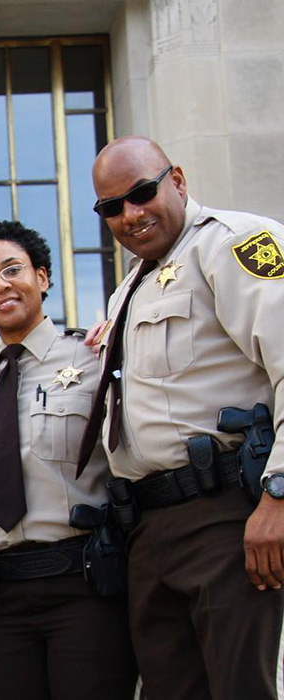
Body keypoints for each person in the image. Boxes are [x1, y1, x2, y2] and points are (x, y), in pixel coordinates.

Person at [82, 135, 284, 698]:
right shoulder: (130, 287)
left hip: (227, 518)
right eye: (111, 207)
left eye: (142, 193)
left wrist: (279, 497)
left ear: (178, 179)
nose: (131, 214)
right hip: (151, 527)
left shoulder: (234, 244)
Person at [0, 220, 137, 699]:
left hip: (84, 587)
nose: (0, 286)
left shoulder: (95, 358)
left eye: (12, 270)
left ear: (43, 277)